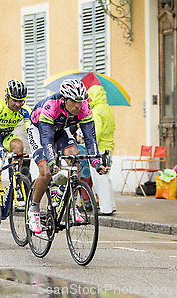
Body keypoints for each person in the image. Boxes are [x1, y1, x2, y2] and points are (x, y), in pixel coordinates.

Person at [27, 79, 108, 234]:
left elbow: (90, 139)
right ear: (64, 99)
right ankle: (34, 210)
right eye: (74, 102)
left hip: (60, 130)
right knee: (46, 171)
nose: (78, 106)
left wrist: (97, 163)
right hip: (39, 131)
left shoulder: (84, 108)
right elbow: (46, 139)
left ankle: (71, 206)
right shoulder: (51, 105)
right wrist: (52, 162)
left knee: (74, 157)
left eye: (81, 101)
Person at [0, 79, 32, 233]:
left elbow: (31, 131)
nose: (17, 104)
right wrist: (0, 149)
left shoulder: (25, 110)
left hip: (6, 136)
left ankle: (16, 180)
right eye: (14, 100)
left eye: (21, 101)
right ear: (7, 97)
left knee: (19, 146)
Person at [87, 85, 116, 215]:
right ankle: (111, 205)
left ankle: (105, 208)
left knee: (100, 179)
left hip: (99, 149)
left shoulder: (96, 111)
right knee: (107, 178)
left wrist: (89, 145)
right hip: (109, 148)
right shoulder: (108, 109)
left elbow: (96, 132)